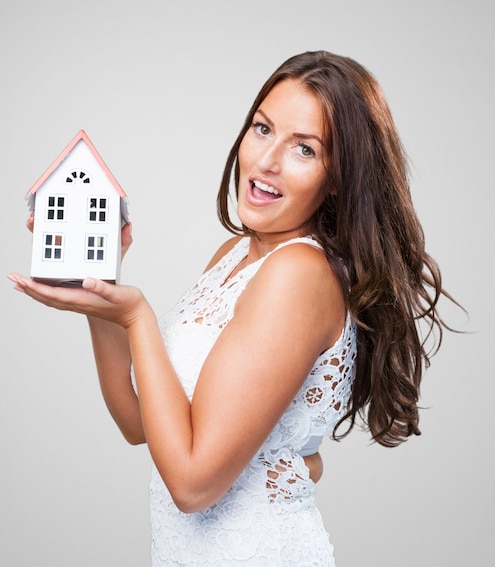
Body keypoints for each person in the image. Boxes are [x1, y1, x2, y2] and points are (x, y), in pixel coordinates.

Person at [9, 50, 456, 566]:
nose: (265, 161)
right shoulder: (236, 256)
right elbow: (139, 425)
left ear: (337, 178)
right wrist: (100, 292)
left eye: (304, 149)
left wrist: (137, 318)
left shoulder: (299, 275)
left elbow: (193, 484)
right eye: (263, 128)